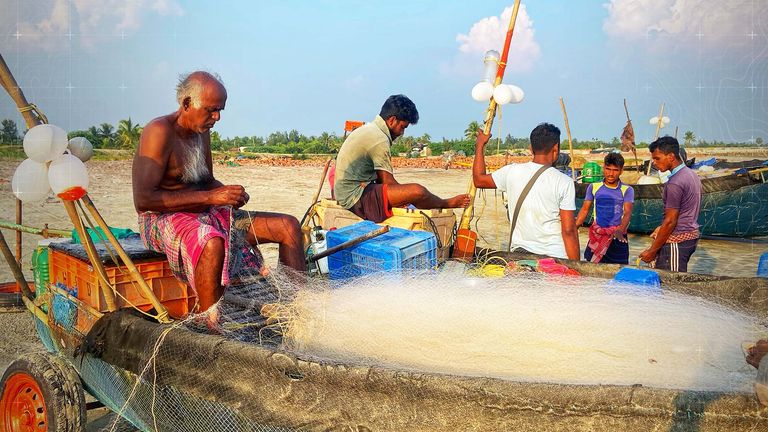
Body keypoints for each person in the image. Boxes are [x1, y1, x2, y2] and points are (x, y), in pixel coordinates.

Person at [132, 71, 306, 312]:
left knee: (288, 227)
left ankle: (296, 307)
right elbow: (144, 200)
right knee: (211, 241)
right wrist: (213, 197)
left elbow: (207, 180)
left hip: (205, 211)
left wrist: (227, 192)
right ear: (186, 104)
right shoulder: (159, 131)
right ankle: (211, 321)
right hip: (160, 219)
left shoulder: (202, 133)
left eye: (220, 110)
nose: (217, 117)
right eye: (211, 110)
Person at [333, 94, 470, 222]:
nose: (402, 133)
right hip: (355, 197)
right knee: (418, 191)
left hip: (349, 191)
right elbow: (387, 182)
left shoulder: (369, 129)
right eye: (402, 127)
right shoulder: (379, 138)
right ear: (392, 120)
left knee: (408, 194)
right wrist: (410, 199)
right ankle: (446, 203)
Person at [472, 123, 580, 260]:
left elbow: (478, 180)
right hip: (555, 257)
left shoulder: (511, 171)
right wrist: (576, 267)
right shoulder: (564, 182)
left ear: (531, 148)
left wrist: (480, 146)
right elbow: (569, 230)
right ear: (556, 149)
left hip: (520, 255)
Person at [638, 136, 702, 272]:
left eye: (657, 158)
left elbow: (670, 221)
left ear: (671, 156)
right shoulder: (691, 174)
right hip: (690, 237)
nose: (654, 163)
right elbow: (685, 210)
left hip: (678, 240)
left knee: (671, 287)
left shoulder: (675, 183)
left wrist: (652, 251)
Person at [575, 153, 634, 264]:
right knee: (591, 270)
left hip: (618, 236)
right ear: (603, 168)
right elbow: (585, 209)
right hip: (597, 235)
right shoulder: (593, 187)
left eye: (615, 170)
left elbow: (627, 213)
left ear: (621, 170)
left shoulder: (627, 190)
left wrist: (620, 230)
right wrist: (574, 227)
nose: (611, 174)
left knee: (618, 272)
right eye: (608, 169)